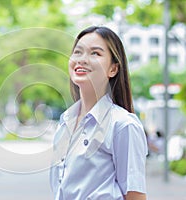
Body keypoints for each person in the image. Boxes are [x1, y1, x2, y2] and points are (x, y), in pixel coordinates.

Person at [50, 26, 148, 200]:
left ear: (113, 69)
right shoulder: (65, 121)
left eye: (95, 53)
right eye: (78, 52)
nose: (82, 59)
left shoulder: (123, 125)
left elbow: (135, 195)